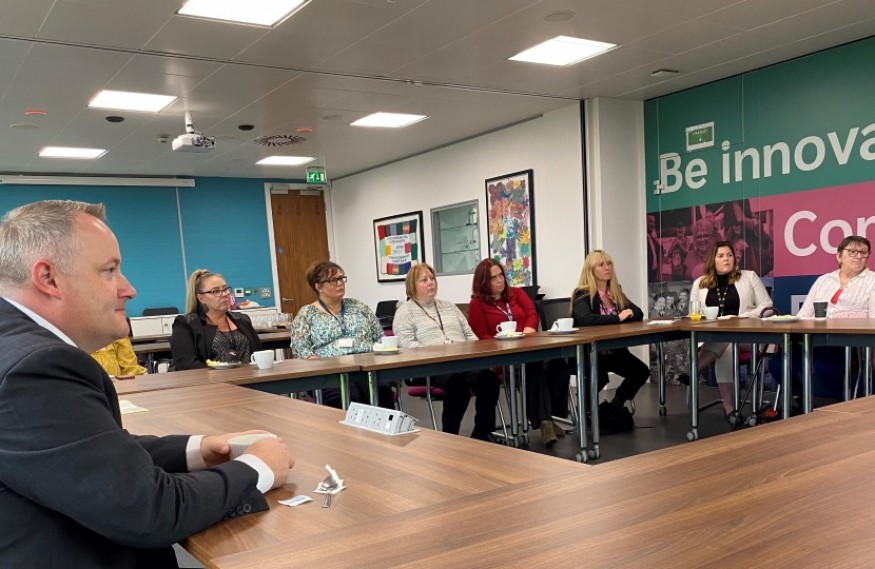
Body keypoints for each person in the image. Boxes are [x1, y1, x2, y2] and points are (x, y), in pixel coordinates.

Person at [0, 200, 293, 568]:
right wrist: (257, 468)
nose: (129, 289)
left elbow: (89, 452)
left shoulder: (16, 348)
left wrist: (199, 449)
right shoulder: (36, 367)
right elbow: (150, 511)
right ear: (48, 278)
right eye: (109, 271)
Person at [466, 259, 569, 446]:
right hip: (501, 360)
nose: (500, 280)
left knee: (558, 365)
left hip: (529, 349)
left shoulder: (516, 293)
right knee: (532, 367)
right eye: (493, 278)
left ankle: (548, 417)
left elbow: (532, 314)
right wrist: (503, 344)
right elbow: (481, 338)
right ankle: (545, 422)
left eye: (501, 275)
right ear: (483, 282)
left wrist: (529, 329)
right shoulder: (477, 304)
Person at [393, 263, 500, 441]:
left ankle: (481, 434)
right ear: (412, 285)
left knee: (488, 379)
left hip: (462, 361)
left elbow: (470, 335)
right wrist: (439, 352)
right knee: (457, 383)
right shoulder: (405, 312)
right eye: (424, 280)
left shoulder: (449, 307)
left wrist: (469, 352)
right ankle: (450, 437)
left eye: (432, 278)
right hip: (429, 366)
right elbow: (407, 346)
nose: (430, 283)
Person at [290, 260, 392, 408]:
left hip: (365, 367)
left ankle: (383, 424)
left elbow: (379, 337)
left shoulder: (358, 307)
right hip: (329, 373)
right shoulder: (306, 314)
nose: (340, 283)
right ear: (318, 286)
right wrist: (324, 365)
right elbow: (301, 350)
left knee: (381, 391)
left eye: (341, 278)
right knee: (348, 396)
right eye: (333, 280)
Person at [571, 250, 650, 432]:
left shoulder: (614, 291)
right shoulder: (582, 293)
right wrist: (617, 318)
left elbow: (638, 312)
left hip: (614, 351)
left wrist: (627, 313)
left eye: (609, 264)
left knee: (640, 372)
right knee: (598, 377)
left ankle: (617, 403)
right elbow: (584, 319)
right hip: (591, 353)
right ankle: (585, 409)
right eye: (601, 265)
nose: (607, 268)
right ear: (591, 270)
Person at [691, 241, 772, 417]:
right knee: (727, 346)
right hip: (714, 338)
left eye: (729, 255)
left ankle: (692, 368)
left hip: (748, 336)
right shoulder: (700, 283)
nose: (726, 259)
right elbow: (693, 312)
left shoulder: (749, 277)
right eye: (721, 256)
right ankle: (730, 407)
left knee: (726, 339)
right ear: (712, 260)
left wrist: (741, 318)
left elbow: (767, 306)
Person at [789, 236, 875, 400]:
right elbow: (803, 315)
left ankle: (839, 407)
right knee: (778, 364)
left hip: (847, 342)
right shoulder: (823, 280)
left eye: (863, 253)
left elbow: (873, 319)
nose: (858, 256)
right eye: (852, 252)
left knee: (826, 368)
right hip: (813, 339)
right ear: (839, 256)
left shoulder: (872, 280)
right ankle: (802, 400)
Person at [170, 269, 262, 370]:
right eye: (216, 291)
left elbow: (259, 353)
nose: (224, 294)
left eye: (225, 289)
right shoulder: (186, 324)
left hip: (250, 377)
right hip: (210, 379)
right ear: (201, 298)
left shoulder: (242, 320)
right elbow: (186, 364)